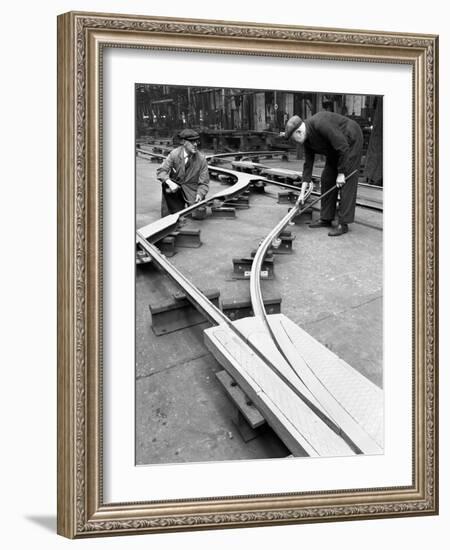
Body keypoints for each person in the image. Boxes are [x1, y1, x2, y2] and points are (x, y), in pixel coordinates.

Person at [284, 112, 363, 236]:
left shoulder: (320, 123)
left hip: (350, 139)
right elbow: (308, 165)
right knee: (327, 178)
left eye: (294, 139)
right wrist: (301, 194)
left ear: (299, 132)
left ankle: (343, 223)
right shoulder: (307, 139)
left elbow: (342, 147)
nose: (296, 142)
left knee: (347, 179)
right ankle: (326, 218)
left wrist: (341, 173)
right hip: (334, 148)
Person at [156, 129, 209, 217]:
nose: (195, 144)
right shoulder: (174, 154)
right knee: (170, 216)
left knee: (199, 216)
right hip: (176, 189)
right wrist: (169, 182)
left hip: (192, 189)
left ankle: (192, 205)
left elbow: (204, 182)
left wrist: (200, 194)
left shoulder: (201, 159)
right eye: (192, 142)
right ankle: (173, 208)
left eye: (196, 141)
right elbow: (161, 172)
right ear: (183, 142)